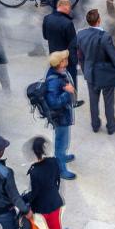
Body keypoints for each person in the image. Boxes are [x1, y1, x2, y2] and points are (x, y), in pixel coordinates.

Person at [77, 9, 115, 135]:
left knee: (93, 101)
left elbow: (80, 56)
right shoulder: (105, 37)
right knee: (109, 102)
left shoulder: (80, 34)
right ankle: (111, 126)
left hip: (90, 73)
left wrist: (84, 69)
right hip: (105, 74)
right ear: (99, 20)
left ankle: (95, 125)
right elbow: (114, 57)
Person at [25, 137, 68, 229]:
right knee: (54, 224)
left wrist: (27, 202)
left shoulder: (34, 171)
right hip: (54, 201)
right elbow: (57, 180)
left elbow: (34, 192)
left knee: (52, 227)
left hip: (44, 206)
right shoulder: (54, 161)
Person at [42, 0, 83, 106]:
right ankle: (73, 101)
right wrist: (75, 60)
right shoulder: (68, 23)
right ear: (66, 7)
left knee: (55, 75)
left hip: (53, 55)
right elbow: (73, 43)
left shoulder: (47, 18)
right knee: (70, 78)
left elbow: (45, 36)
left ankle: (55, 95)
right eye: (69, 8)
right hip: (66, 57)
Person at [45, 51, 77, 180]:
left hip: (64, 115)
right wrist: (67, 93)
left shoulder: (59, 72)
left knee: (64, 140)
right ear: (59, 63)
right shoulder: (53, 81)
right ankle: (61, 169)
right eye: (64, 59)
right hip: (60, 117)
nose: (67, 60)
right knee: (60, 143)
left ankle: (62, 156)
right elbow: (54, 102)